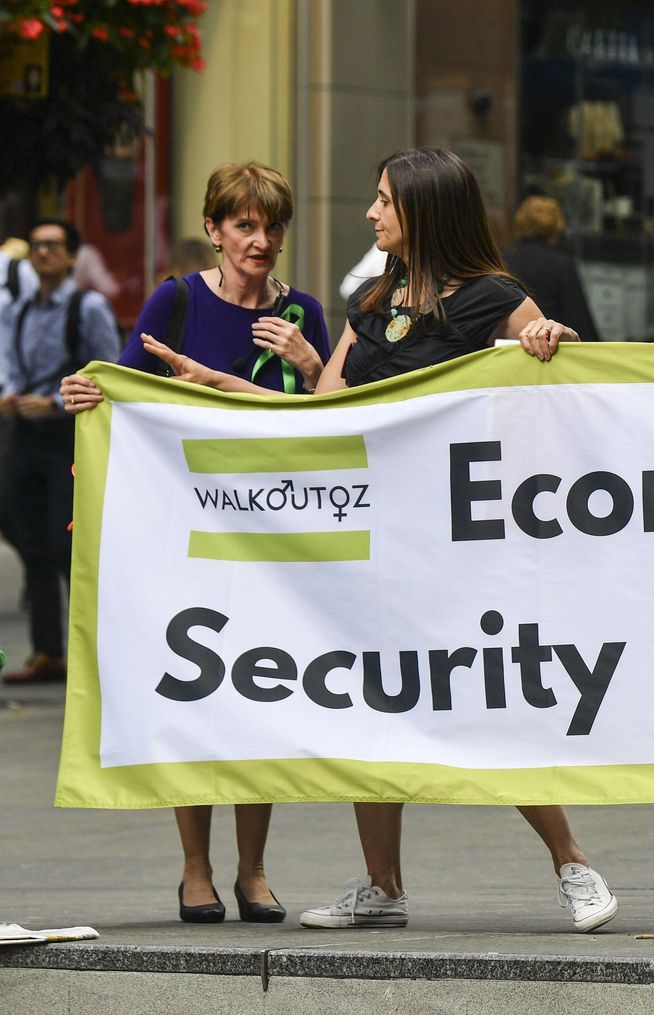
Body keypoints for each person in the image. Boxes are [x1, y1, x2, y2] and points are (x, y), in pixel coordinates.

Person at [130, 147, 617, 934]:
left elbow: (568, 385)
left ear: (421, 211)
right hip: (373, 537)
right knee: (375, 705)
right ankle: (382, 885)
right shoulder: (371, 301)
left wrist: (550, 340)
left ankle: (573, 863)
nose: (371, 213)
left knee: (484, 702)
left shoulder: (496, 297)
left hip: (457, 543)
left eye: (383, 200)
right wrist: (221, 382)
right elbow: (320, 420)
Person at [60, 163, 332, 926]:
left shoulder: (305, 313)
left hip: (276, 539)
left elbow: (337, 421)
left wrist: (309, 366)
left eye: (273, 226)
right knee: (195, 691)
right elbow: (122, 387)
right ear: (214, 230)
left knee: (263, 697)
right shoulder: (176, 301)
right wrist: (84, 391)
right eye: (245, 225)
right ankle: (194, 869)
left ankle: (254, 871)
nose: (262, 240)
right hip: (184, 534)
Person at [0, 219, 120, 685]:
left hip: (66, 437)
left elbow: (108, 371)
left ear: (72, 256)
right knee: (31, 542)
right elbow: (10, 363)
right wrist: (11, 394)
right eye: (36, 247)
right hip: (24, 436)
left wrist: (52, 401)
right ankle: (48, 650)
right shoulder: (20, 310)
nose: (43, 253)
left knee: (69, 543)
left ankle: (92, 652)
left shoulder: (87, 307)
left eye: (52, 246)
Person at [502, 195, 601, 343]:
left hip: (509, 345)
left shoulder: (502, 259)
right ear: (557, 226)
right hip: (549, 347)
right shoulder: (561, 264)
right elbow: (577, 318)